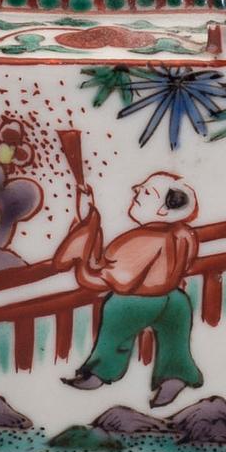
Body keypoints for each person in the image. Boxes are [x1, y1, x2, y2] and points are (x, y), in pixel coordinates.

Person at [57, 172, 204, 407]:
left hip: (136, 302)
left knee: (115, 332)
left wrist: (83, 261)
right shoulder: (184, 235)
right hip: (175, 300)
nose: (136, 191)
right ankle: (175, 376)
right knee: (174, 338)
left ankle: (98, 374)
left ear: (163, 211)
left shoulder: (139, 241)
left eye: (145, 192)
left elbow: (113, 281)